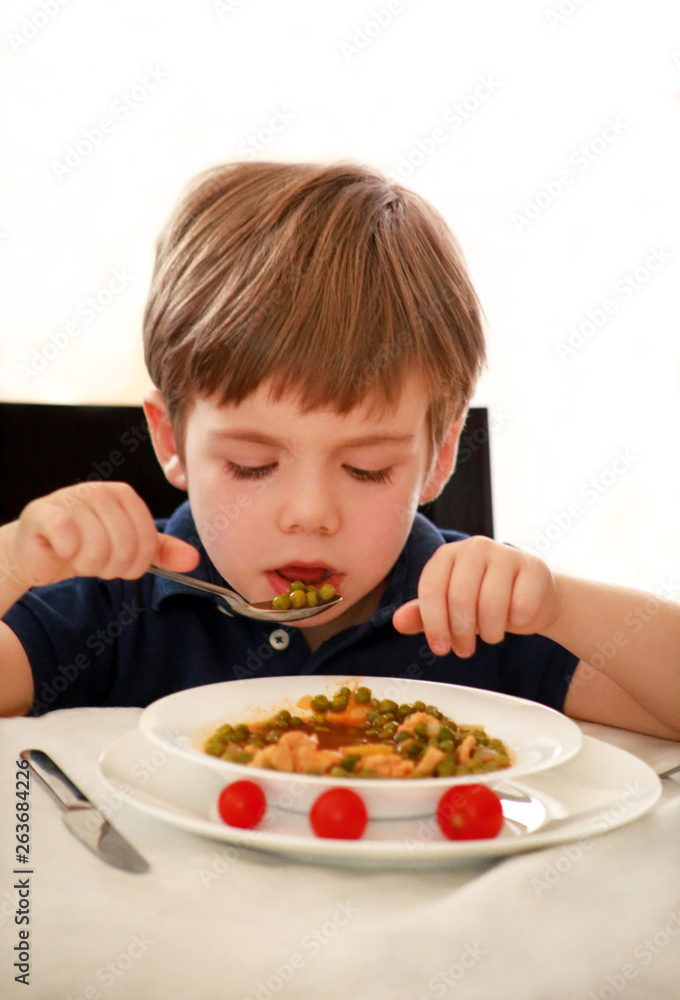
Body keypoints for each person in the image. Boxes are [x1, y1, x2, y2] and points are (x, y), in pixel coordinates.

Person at [0, 161, 678, 737]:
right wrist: (13, 560)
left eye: (367, 469)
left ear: (440, 456)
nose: (310, 513)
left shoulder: (468, 618)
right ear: (172, 441)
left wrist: (560, 607)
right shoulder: (116, 606)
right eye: (252, 465)